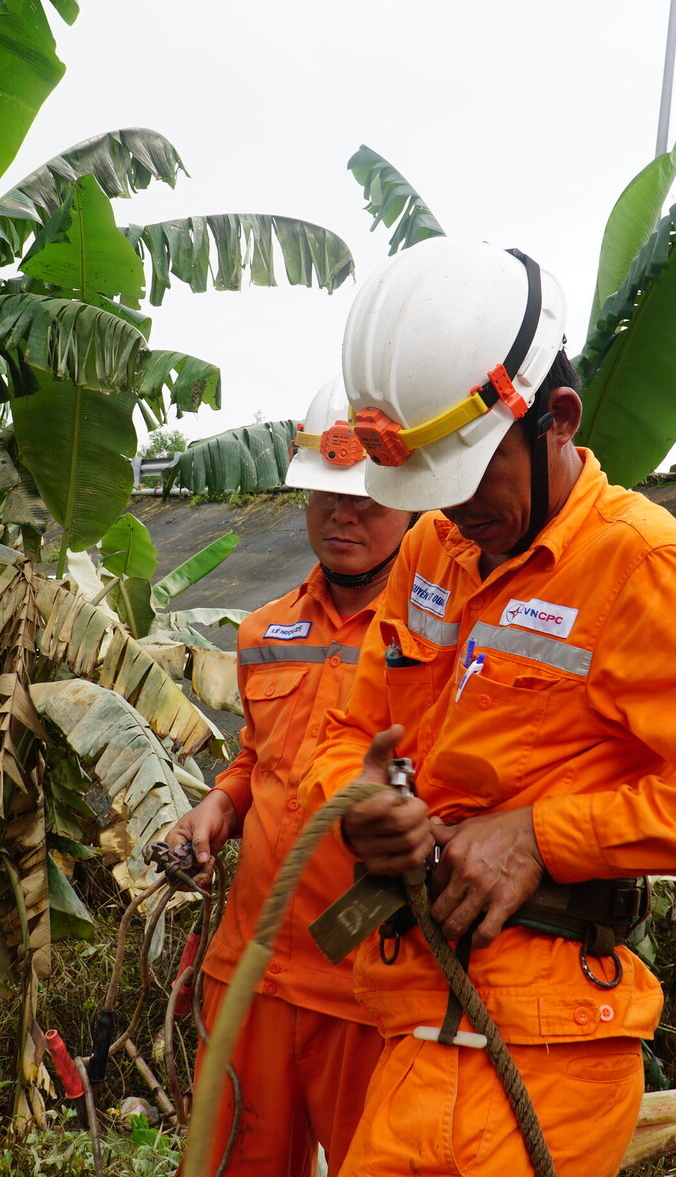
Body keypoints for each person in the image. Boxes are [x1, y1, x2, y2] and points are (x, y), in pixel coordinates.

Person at [301, 237, 676, 1177]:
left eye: (468, 478)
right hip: (411, 1015)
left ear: (556, 418)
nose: (450, 509)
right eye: (427, 488)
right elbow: (351, 730)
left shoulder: (641, 565)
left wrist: (545, 835)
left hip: (550, 1045)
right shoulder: (436, 549)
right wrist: (365, 803)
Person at [162, 377, 414, 1177]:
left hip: (366, 981)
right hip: (250, 973)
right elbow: (257, 758)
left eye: (368, 498)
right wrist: (215, 807)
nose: (345, 515)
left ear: (413, 502)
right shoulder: (266, 631)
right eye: (327, 497)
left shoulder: (432, 640)